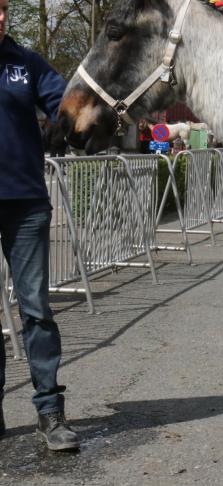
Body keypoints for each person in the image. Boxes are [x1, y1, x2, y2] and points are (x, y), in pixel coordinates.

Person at [0, 0, 80, 450]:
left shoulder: (26, 63)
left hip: (26, 205)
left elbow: (68, 107)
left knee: (36, 309)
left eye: (2, 9)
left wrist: (90, 118)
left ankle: (50, 412)